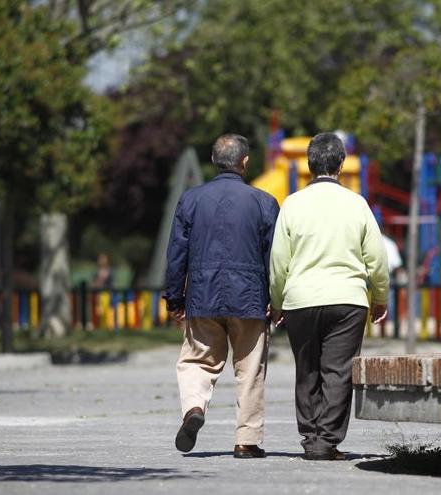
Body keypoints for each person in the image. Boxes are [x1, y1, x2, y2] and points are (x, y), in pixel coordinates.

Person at [269, 133, 389, 461]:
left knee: (306, 369)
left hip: (301, 300)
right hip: (347, 300)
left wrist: (277, 301)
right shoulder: (357, 203)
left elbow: (279, 260)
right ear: (340, 164)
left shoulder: (292, 204)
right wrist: (380, 296)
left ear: (309, 166)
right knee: (338, 371)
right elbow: (376, 258)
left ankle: (310, 438)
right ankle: (327, 442)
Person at [164, 134, 280, 459]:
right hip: (250, 299)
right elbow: (275, 257)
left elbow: (176, 252)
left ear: (214, 161)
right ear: (245, 162)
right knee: (250, 369)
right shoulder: (264, 202)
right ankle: (246, 440)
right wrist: (276, 298)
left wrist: (175, 298)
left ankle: (193, 408)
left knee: (197, 360)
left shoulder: (191, 200)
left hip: (202, 295)